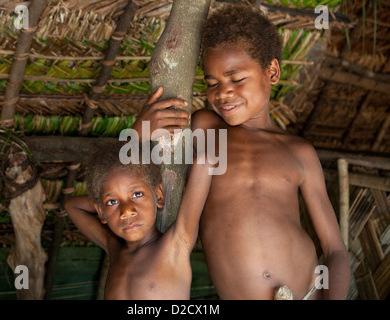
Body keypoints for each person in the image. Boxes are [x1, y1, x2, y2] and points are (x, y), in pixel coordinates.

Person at [131, 4, 350, 300]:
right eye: (212, 83)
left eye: (236, 78)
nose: (223, 93)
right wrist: (139, 132)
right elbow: (134, 177)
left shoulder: (299, 152)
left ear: (271, 71)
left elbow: (335, 249)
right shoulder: (206, 129)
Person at [64, 140, 213, 299]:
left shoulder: (175, 245)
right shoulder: (115, 250)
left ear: (159, 196)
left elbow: (204, 162)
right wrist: (103, 205)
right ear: (101, 212)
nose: (126, 211)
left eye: (137, 194)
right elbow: (71, 206)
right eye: (113, 202)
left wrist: (108, 203)